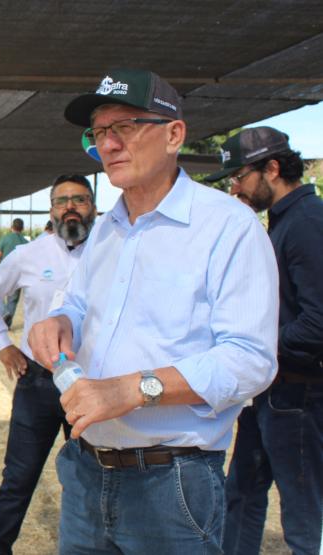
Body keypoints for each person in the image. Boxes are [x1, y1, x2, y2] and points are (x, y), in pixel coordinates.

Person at [27, 68, 279, 554]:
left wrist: (133, 389)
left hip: (172, 484)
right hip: (86, 470)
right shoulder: (107, 229)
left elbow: (250, 359)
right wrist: (60, 322)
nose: (108, 144)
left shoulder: (228, 226)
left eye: (125, 127)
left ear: (174, 135)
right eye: (99, 132)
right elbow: (78, 303)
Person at [205, 127, 323, 555]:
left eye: (239, 177)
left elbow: (317, 324)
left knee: (303, 512)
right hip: (271, 392)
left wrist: (256, 343)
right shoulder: (281, 222)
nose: (235, 188)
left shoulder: (307, 223)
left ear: (272, 168)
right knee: (241, 493)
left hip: (301, 395)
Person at [0, 175, 96, 554]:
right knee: (19, 478)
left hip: (93, 386)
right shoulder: (30, 254)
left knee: (91, 480)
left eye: (79, 199)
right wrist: (2, 344)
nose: (70, 207)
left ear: (93, 207)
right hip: (39, 383)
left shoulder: (112, 251)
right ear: (52, 210)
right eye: (62, 201)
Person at [0, 218, 29, 329]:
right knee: (13, 299)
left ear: (12, 227)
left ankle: (5, 312)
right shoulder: (26, 242)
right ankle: (7, 324)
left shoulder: (5, 238)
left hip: (4, 272)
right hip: (19, 275)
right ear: (22, 228)